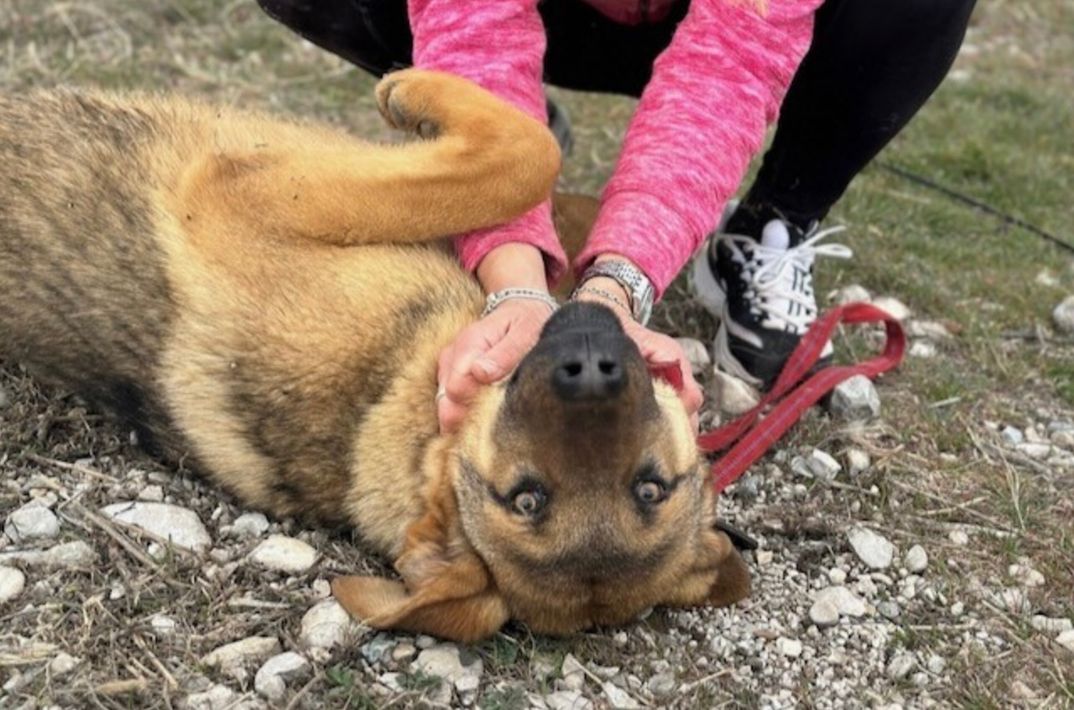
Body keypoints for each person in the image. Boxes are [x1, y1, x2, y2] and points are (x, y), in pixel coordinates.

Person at [257, 0, 976, 432]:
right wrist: (514, 281)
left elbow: (728, 65)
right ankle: (510, 141)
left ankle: (774, 221)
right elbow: (475, 25)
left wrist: (616, 290)